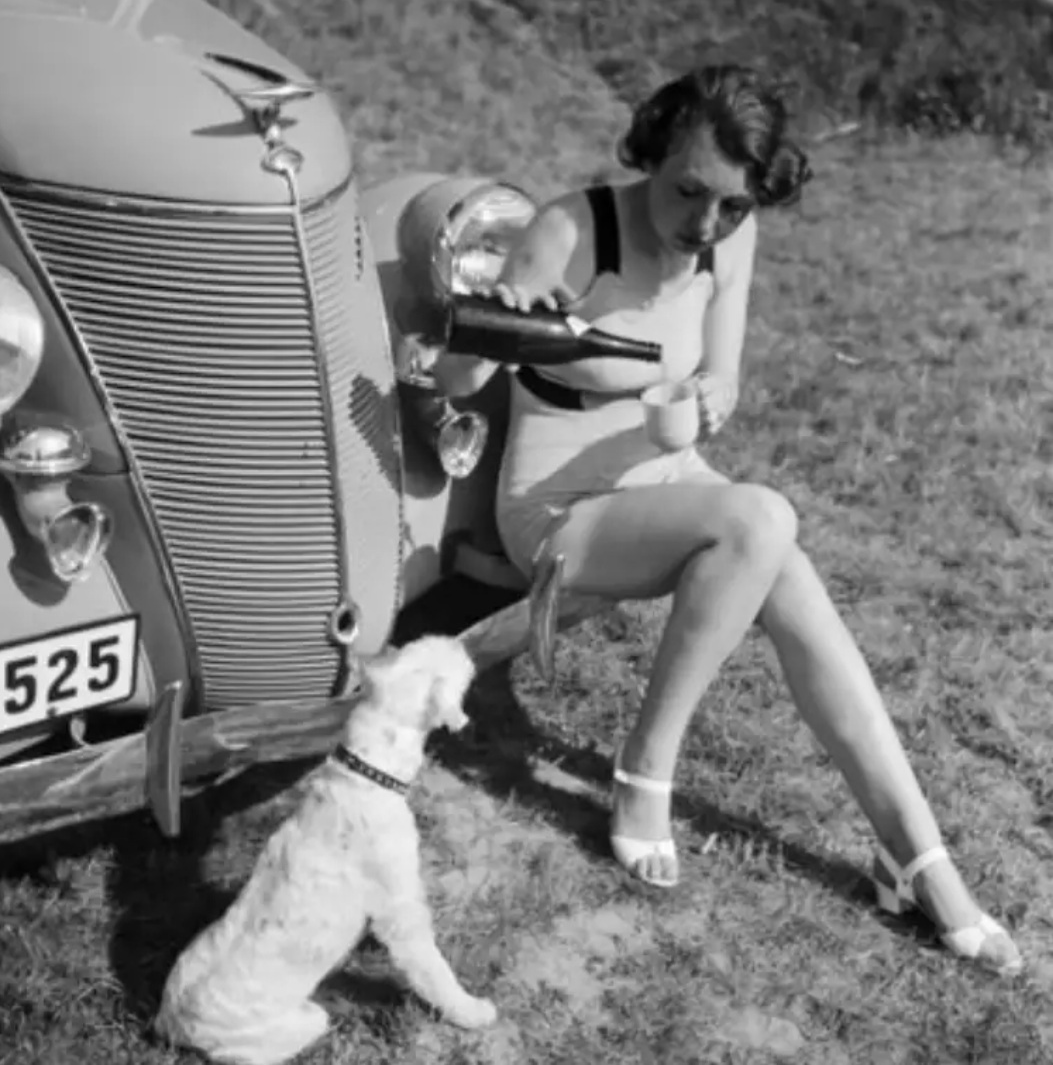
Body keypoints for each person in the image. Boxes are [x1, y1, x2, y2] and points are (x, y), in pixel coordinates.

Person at [433, 64, 1021, 975]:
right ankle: (644, 770)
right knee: (760, 521)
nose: (704, 224)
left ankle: (915, 854)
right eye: (689, 191)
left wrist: (710, 396)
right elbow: (453, 380)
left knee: (776, 553)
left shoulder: (727, 241)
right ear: (653, 152)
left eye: (733, 205)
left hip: (672, 480)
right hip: (559, 511)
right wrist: (495, 327)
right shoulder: (568, 231)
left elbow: (724, 378)